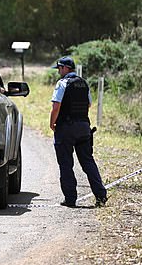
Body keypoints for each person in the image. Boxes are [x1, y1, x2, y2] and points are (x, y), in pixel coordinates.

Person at [49, 56, 108, 208]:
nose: (59, 72)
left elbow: (56, 107)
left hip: (66, 129)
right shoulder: (84, 83)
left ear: (65, 68)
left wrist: (52, 123)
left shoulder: (62, 83)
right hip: (83, 128)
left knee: (66, 164)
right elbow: (88, 104)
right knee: (88, 162)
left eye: (59, 69)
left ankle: (70, 199)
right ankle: (101, 196)